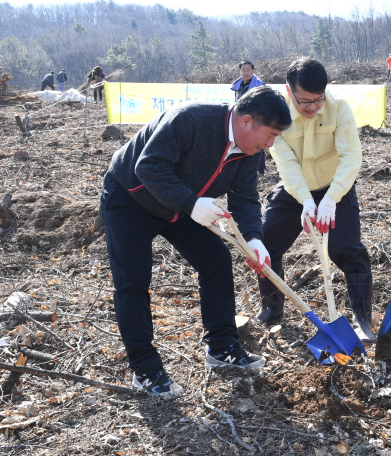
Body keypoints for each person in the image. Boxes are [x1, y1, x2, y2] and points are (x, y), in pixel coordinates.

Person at [99, 86, 292, 398]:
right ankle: (145, 368)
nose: (270, 144)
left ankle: (223, 346)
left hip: (182, 204)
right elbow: (148, 166)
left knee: (215, 260)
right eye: (270, 135)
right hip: (130, 197)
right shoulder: (190, 119)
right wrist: (192, 204)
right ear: (246, 122)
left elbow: (244, 199)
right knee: (133, 281)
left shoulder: (248, 152)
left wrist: (255, 240)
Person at [257, 58, 376, 343]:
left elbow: (351, 158)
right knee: (265, 242)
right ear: (289, 91)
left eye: (318, 100)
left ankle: (363, 319)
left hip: (336, 186)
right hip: (295, 188)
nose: (312, 108)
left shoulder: (339, 109)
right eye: (304, 101)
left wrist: (331, 199)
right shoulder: (278, 115)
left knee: (348, 250)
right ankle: (271, 310)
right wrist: (306, 201)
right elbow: (286, 165)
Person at [231, 61, 267, 174]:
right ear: (240, 71)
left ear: (253, 71)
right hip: (243, 119)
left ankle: (259, 168)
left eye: (248, 70)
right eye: (243, 70)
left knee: (257, 143)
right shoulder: (238, 85)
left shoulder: (260, 86)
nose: (246, 73)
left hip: (256, 119)